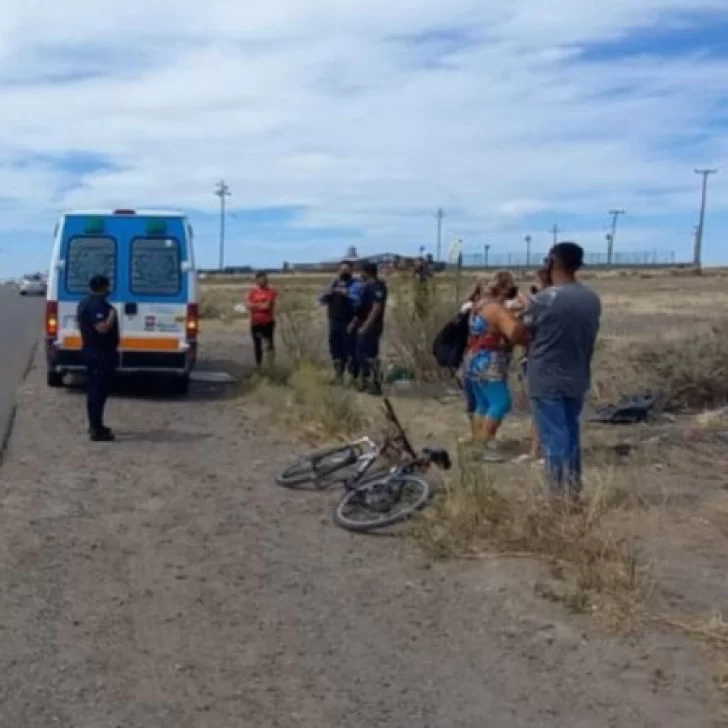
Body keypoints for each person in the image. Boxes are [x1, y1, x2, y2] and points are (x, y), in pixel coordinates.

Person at [523, 242, 601, 499]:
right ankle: (573, 487)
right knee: (570, 433)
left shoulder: (544, 299)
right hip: (577, 375)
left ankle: (558, 493)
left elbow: (524, 332)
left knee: (554, 437)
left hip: (546, 376)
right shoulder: (591, 298)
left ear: (552, 263)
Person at [463, 270, 529, 461]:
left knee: (483, 402)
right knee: (501, 402)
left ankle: (478, 440)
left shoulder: (480, 305)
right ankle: (483, 446)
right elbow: (514, 333)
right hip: (490, 360)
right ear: (506, 287)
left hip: (474, 357)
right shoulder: (496, 309)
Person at [77, 275, 119, 442]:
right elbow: (102, 328)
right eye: (107, 287)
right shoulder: (97, 305)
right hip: (99, 354)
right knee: (98, 392)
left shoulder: (84, 303)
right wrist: (112, 315)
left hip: (94, 352)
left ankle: (95, 424)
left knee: (96, 391)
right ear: (103, 287)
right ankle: (96, 429)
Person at [319, 261, 363, 383]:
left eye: (346, 270)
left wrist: (347, 293)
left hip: (349, 322)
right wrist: (327, 293)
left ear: (351, 271)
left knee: (350, 349)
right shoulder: (333, 283)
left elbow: (360, 301)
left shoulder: (356, 284)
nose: (343, 272)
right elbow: (321, 300)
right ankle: (338, 376)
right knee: (335, 349)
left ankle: (353, 378)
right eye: (341, 269)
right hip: (334, 321)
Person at [349, 260, 387, 395]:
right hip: (362, 324)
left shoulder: (377, 287)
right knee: (361, 354)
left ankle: (376, 383)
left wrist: (366, 326)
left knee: (371, 355)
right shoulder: (366, 286)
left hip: (371, 326)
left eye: (361, 271)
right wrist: (354, 323)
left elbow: (376, 308)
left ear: (367, 272)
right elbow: (361, 309)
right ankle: (364, 381)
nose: (359, 274)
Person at [247, 271, 277, 368]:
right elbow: (248, 305)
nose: (264, 281)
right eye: (261, 279)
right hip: (255, 323)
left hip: (267, 322)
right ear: (257, 280)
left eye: (265, 279)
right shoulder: (252, 292)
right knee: (257, 346)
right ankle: (258, 366)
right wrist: (260, 305)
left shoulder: (271, 292)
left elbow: (267, 306)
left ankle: (271, 366)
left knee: (269, 344)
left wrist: (255, 306)